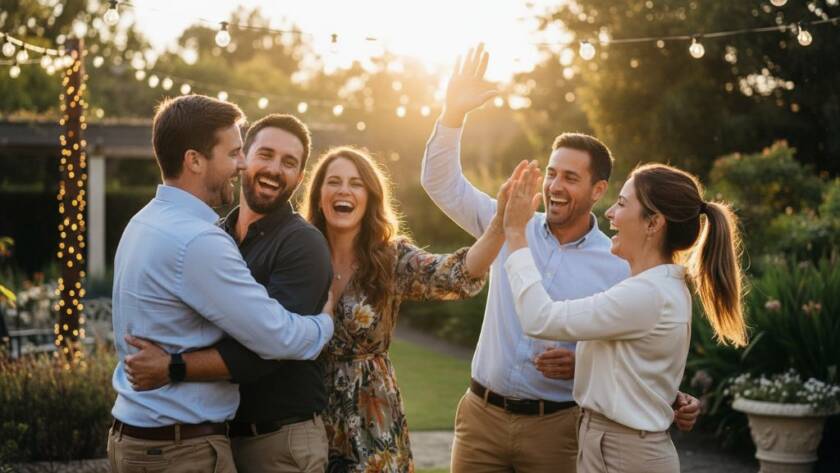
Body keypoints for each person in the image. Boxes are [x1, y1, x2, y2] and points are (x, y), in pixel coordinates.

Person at [421, 45, 700, 473]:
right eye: (552, 173)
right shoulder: (509, 224)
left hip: (558, 429)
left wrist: (582, 363)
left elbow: (641, 345)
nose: (555, 185)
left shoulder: (620, 262)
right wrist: (452, 114)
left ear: (598, 190)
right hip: (481, 418)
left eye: (570, 177)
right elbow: (440, 182)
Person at [108, 96, 333, 473]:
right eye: (235, 153)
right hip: (178, 450)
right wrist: (325, 321)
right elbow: (277, 338)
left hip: (147, 439)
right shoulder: (200, 240)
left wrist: (174, 366)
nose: (242, 164)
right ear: (194, 160)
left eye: (289, 161)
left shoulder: (142, 222)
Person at [501, 162, 748, 472]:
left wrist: (514, 234)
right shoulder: (651, 288)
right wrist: (665, 396)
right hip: (611, 445)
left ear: (653, 223)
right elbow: (634, 364)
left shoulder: (646, 294)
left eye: (621, 203)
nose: (609, 214)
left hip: (625, 453)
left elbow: (540, 318)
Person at [299, 146, 510, 472]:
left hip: (372, 416)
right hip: (307, 412)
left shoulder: (390, 258)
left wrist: (498, 227)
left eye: (355, 183)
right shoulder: (299, 255)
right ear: (319, 193)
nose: (344, 190)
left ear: (369, 196)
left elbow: (455, 274)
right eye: (334, 181)